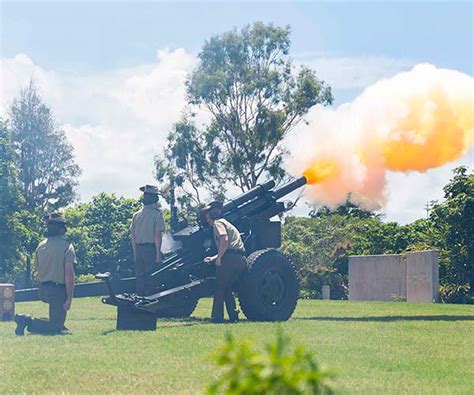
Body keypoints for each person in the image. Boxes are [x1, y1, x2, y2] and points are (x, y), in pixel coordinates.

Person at [14, 213, 76, 336]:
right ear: (62, 229)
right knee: (56, 328)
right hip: (58, 291)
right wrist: (69, 298)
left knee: (58, 324)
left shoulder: (40, 246)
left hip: (42, 289)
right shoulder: (67, 247)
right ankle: (27, 320)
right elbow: (69, 275)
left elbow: (37, 267)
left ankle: (56, 324)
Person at [202, 202, 246, 323]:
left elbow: (224, 239)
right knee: (227, 287)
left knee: (219, 286)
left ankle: (217, 317)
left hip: (230, 258)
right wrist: (214, 257)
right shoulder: (226, 222)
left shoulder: (218, 223)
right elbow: (227, 246)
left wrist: (219, 258)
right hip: (238, 258)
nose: (207, 221)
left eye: (207, 218)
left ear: (212, 216)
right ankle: (233, 315)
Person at [130, 184, 165, 296]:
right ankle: (150, 303)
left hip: (139, 249)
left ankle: (139, 299)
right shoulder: (157, 215)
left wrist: (135, 254)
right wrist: (158, 255)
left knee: (140, 278)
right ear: (155, 199)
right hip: (151, 250)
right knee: (151, 277)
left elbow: (133, 237)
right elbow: (157, 236)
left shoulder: (136, 215)